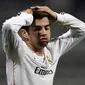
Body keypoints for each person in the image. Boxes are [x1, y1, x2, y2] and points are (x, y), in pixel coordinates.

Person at [2, 6, 85, 85]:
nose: (43, 32)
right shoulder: (17, 49)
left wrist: (57, 16)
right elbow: (8, 27)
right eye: (37, 29)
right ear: (24, 34)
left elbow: (82, 29)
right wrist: (25, 17)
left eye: (46, 28)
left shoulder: (53, 49)